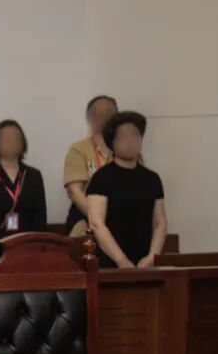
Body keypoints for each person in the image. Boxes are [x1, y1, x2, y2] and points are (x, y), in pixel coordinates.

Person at [87, 111, 166, 269]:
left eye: (135, 135)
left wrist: (152, 256)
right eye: (123, 136)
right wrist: (121, 260)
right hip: (110, 263)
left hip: (145, 262)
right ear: (112, 143)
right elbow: (97, 224)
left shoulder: (152, 178)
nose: (130, 141)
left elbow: (160, 222)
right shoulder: (101, 178)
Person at [0, 120, 47, 263]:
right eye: (5, 138)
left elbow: (40, 218)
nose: (10, 141)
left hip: (31, 250)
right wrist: (5, 247)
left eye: (15, 137)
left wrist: (33, 244)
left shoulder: (34, 176)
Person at [64, 94, 118, 236]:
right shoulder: (78, 149)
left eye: (109, 114)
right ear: (89, 118)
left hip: (120, 213)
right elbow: (75, 193)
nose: (104, 118)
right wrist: (100, 218)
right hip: (86, 214)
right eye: (98, 114)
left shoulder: (126, 149)